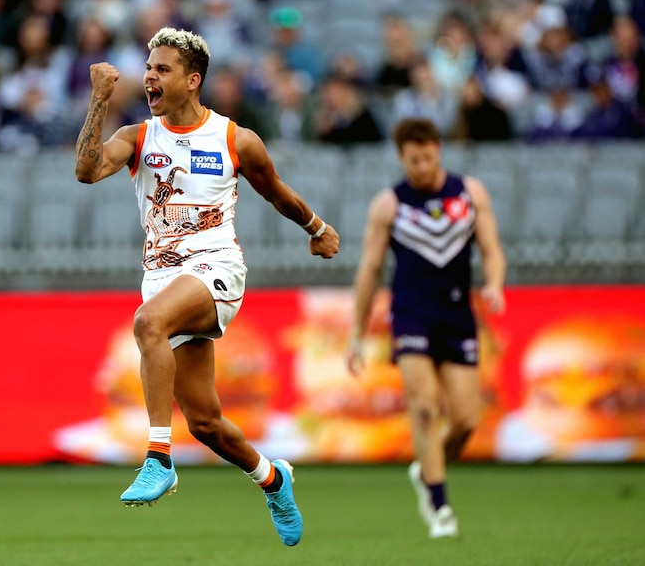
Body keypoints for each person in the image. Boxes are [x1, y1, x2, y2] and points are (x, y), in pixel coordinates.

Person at [74, 27, 339, 547]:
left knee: (147, 323)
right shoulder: (138, 138)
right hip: (164, 280)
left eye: (162, 69)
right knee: (208, 424)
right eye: (148, 68)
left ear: (192, 80)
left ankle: (157, 458)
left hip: (218, 269)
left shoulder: (234, 139)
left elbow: (276, 192)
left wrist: (317, 228)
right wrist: (98, 101)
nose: (150, 76)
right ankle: (272, 477)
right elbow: (85, 172)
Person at [347, 118, 505, 538]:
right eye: (413, 159)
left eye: (428, 156)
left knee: (467, 419)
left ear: (439, 150)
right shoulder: (389, 205)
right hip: (411, 314)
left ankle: (425, 470)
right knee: (422, 406)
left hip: (456, 315)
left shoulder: (469, 194)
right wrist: (356, 334)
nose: (422, 166)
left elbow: (491, 249)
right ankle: (439, 505)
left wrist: (494, 284)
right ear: (402, 158)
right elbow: (370, 271)